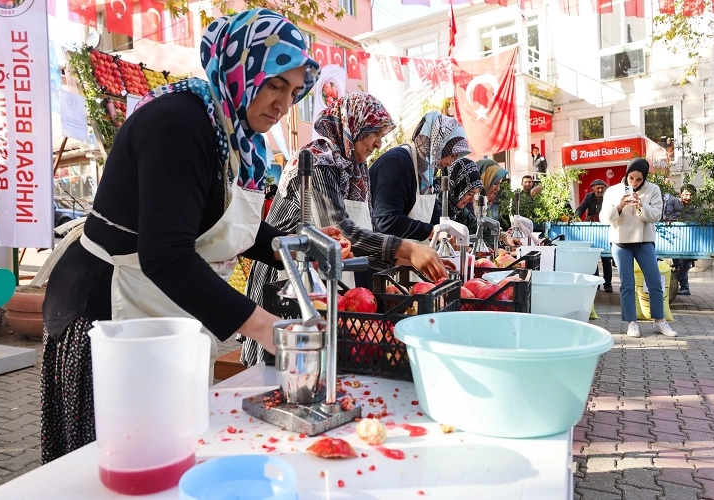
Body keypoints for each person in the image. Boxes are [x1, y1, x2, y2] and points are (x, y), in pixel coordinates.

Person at [39, 9, 326, 463]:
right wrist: (267, 328)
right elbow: (166, 255)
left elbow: (223, 227)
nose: (283, 104)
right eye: (274, 84)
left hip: (157, 310)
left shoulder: (236, 136)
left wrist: (297, 247)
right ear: (241, 67)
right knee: (115, 465)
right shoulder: (179, 123)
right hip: (107, 310)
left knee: (166, 457)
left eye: (293, 91)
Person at [241, 93, 450, 366]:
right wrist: (407, 249)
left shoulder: (355, 169)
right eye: (373, 132)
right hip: (286, 279)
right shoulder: (318, 160)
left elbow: (364, 235)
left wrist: (407, 259)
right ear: (353, 125)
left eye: (382, 134)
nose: (379, 142)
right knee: (279, 367)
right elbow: (340, 233)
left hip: (326, 279)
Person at [600, 158, 678, 338]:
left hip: (645, 242)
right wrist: (619, 206)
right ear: (626, 175)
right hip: (620, 243)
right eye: (631, 178)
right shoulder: (613, 191)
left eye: (638, 179)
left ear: (644, 178)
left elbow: (656, 215)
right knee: (627, 284)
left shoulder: (653, 189)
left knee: (654, 281)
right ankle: (632, 323)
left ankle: (660, 321)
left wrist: (641, 206)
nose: (634, 182)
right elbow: (604, 218)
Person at [369, 111, 471, 243]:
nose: (450, 163)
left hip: (407, 257)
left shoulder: (426, 174)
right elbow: (387, 220)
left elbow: (433, 219)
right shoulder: (397, 163)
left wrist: (450, 236)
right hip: (380, 257)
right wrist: (433, 232)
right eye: (452, 155)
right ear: (439, 144)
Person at [575, 178, 614, 293]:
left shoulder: (609, 197)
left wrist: (591, 218)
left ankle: (608, 284)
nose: (600, 190)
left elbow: (608, 214)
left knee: (606, 258)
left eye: (602, 188)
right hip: (592, 231)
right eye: (598, 188)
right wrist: (575, 218)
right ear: (593, 189)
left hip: (605, 230)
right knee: (593, 258)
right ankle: (596, 283)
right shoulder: (589, 197)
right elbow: (581, 208)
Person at [663, 184, 698, 295]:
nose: (688, 197)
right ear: (680, 194)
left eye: (691, 195)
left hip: (690, 239)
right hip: (675, 238)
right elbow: (667, 215)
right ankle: (684, 287)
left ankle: (675, 281)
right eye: (685, 194)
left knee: (686, 262)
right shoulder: (672, 201)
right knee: (677, 261)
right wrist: (682, 221)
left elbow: (699, 217)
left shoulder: (696, 204)